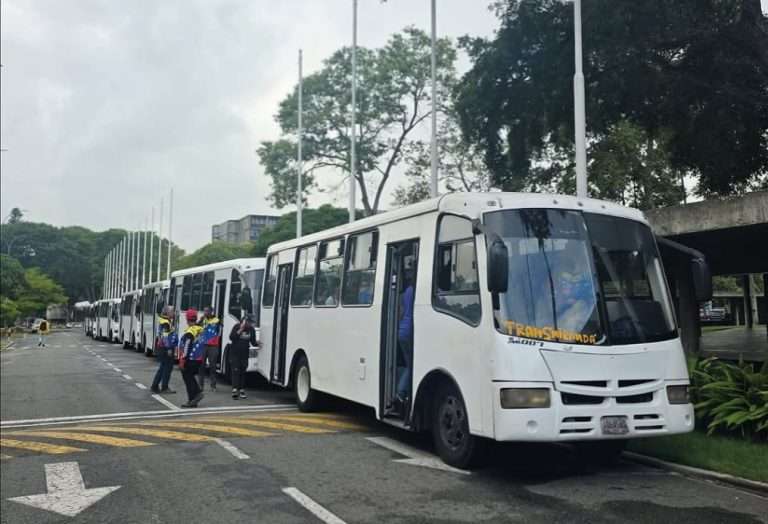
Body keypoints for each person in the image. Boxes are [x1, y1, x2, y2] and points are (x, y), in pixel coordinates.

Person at [396, 269, 415, 407]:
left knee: (409, 364)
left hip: (402, 330)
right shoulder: (420, 289)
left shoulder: (408, 291)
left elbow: (401, 312)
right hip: (410, 332)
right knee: (412, 366)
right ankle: (401, 393)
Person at [178, 309, 204, 408]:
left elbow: (187, 347)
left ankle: (193, 397)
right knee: (190, 377)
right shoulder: (200, 329)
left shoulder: (190, 332)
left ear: (187, 319)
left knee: (187, 378)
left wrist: (183, 360)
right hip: (199, 358)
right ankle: (195, 397)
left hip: (190, 359)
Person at [228, 315, 257, 399]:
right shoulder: (236, 327)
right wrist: (241, 329)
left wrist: (258, 343)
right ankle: (234, 390)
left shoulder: (251, 330)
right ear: (244, 321)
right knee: (235, 371)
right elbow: (232, 337)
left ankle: (241, 390)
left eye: (251, 323)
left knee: (242, 371)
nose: (250, 324)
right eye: (249, 322)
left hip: (244, 354)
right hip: (235, 353)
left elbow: (253, 342)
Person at [150, 306, 177, 394]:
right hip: (166, 348)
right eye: (172, 311)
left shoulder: (164, 321)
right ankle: (164, 387)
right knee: (167, 368)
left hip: (162, 348)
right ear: (167, 313)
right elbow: (165, 336)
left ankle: (155, 386)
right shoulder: (166, 323)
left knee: (162, 367)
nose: (174, 313)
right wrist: (169, 348)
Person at [198, 307, 221, 392]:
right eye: (204, 311)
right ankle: (200, 385)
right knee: (201, 366)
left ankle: (213, 385)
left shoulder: (217, 320)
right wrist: (200, 320)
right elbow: (196, 327)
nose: (205, 312)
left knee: (212, 366)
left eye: (207, 311)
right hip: (203, 345)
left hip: (213, 346)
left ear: (211, 312)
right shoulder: (203, 320)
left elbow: (218, 332)